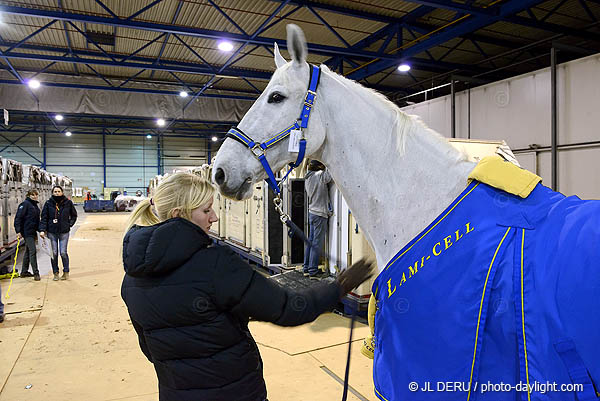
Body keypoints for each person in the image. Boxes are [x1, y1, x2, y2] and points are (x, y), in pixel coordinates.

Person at [121, 172, 372, 401]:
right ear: (178, 215)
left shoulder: (131, 281)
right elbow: (289, 309)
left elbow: (151, 349)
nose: (215, 217)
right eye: (206, 210)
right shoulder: (216, 266)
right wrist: (338, 287)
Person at [40, 186, 78, 281]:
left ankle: (66, 272)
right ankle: (55, 273)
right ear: (52, 193)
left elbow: (74, 215)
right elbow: (44, 217)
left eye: (59, 191)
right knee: (54, 253)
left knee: (63, 252)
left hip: (64, 232)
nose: (57, 193)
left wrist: (69, 224)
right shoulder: (48, 203)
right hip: (52, 232)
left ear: (62, 192)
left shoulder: (67, 203)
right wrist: (42, 229)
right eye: (55, 191)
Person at [303, 160, 333, 278]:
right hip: (320, 214)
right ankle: (312, 271)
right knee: (317, 244)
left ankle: (306, 268)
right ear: (318, 167)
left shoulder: (307, 178)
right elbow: (330, 175)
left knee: (310, 242)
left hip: (312, 213)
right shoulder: (319, 176)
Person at [14, 189, 41, 281]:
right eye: (32, 195)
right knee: (33, 251)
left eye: (36, 195)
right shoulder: (25, 204)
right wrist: (18, 231)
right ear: (28, 195)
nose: (34, 196)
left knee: (28, 251)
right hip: (27, 232)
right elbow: (18, 218)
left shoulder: (35, 206)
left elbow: (37, 220)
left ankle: (24, 272)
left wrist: (40, 230)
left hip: (33, 232)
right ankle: (36, 273)